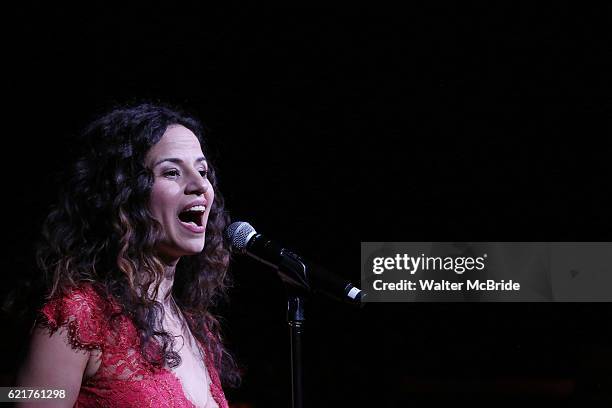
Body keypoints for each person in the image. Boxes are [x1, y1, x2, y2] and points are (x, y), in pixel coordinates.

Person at [17, 103, 240, 407]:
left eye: (202, 171)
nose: (200, 184)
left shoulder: (194, 328)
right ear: (125, 194)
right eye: (172, 172)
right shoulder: (81, 314)